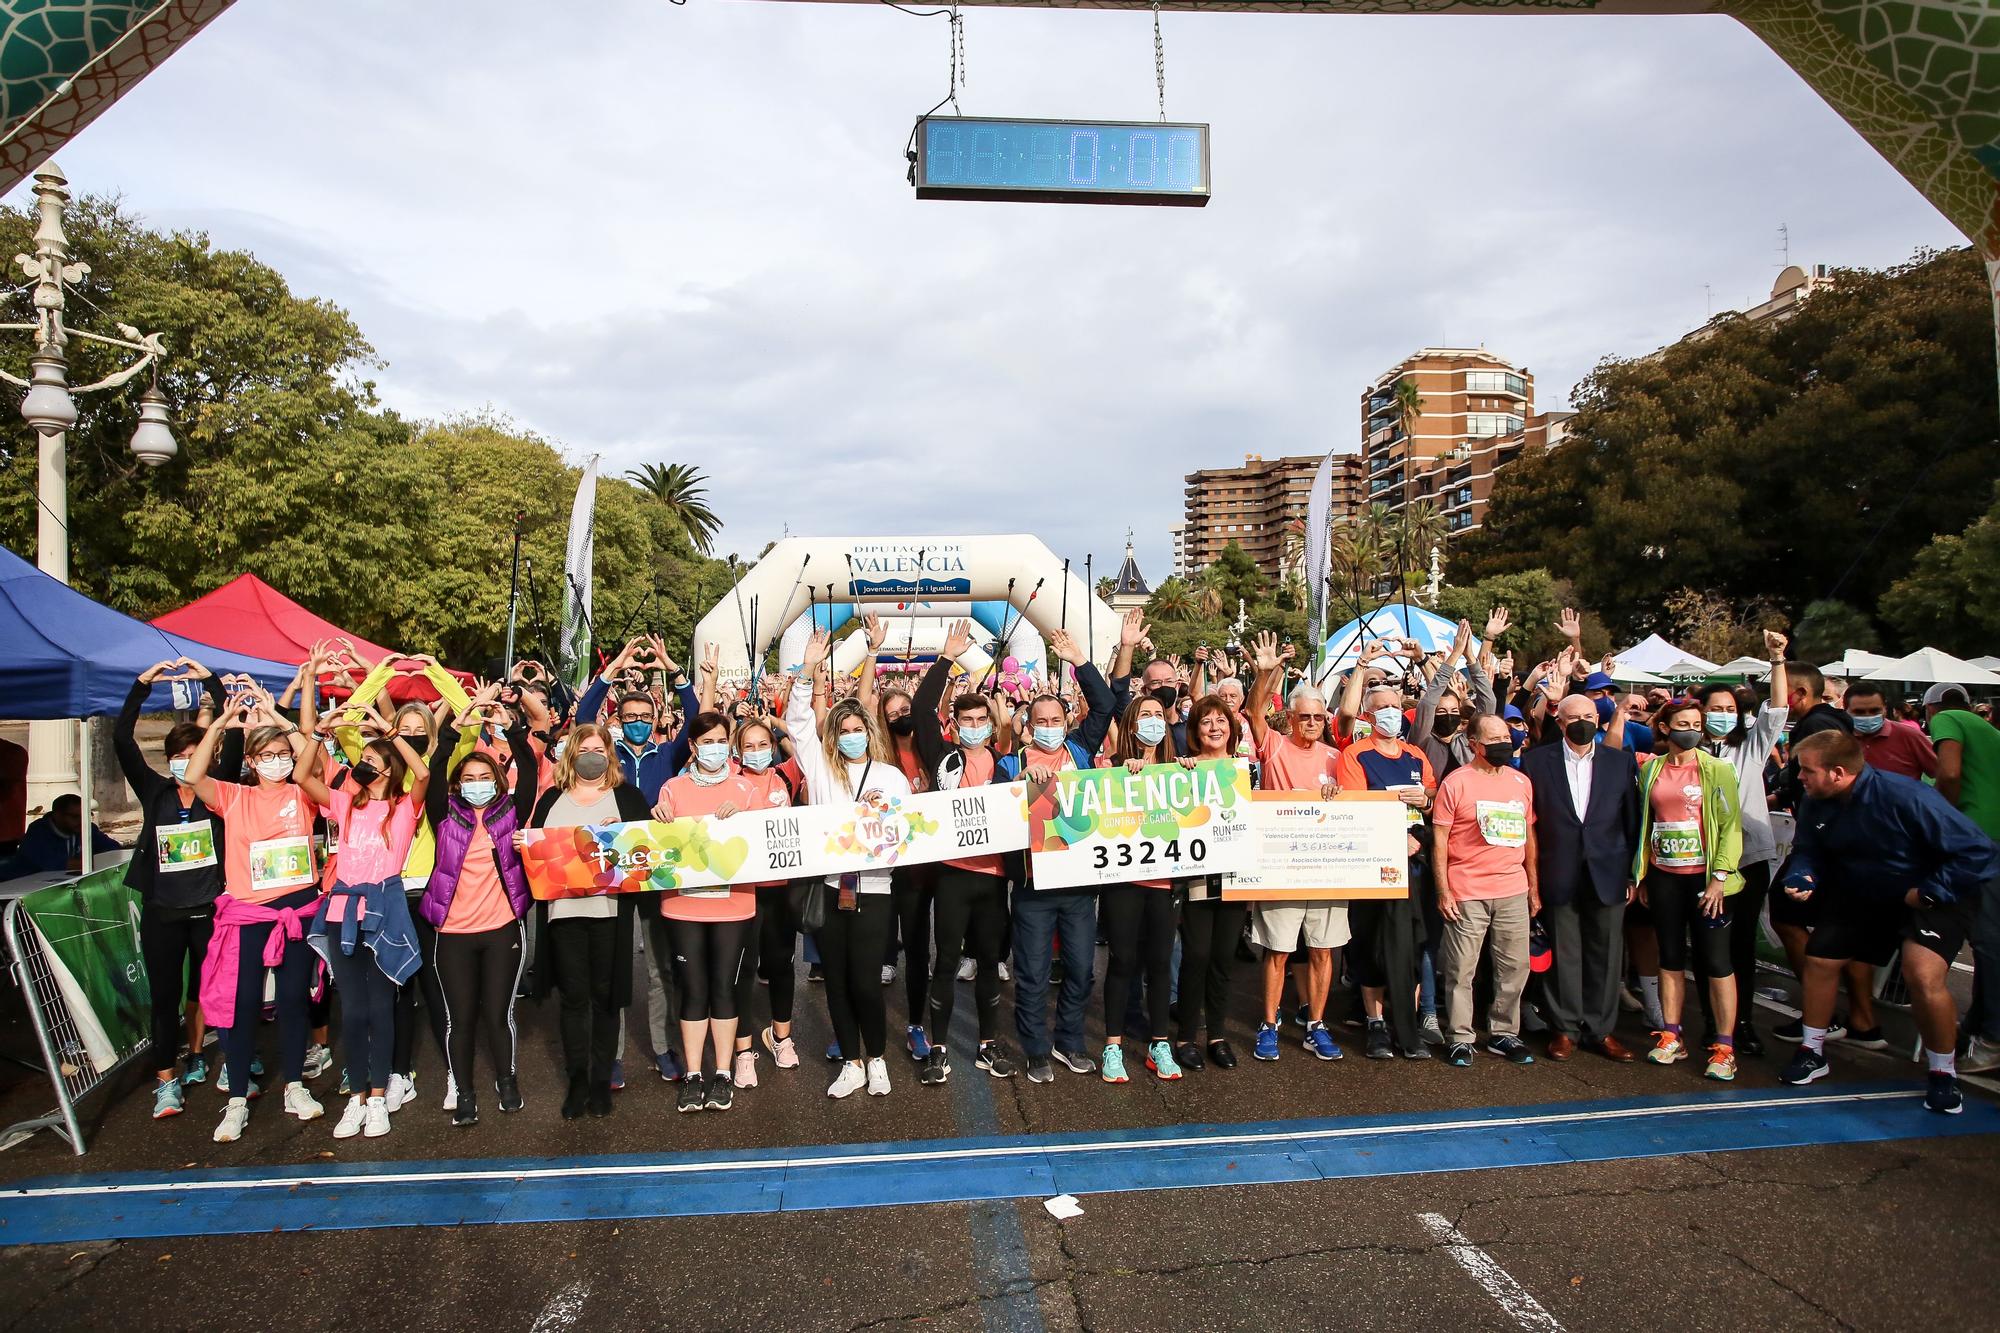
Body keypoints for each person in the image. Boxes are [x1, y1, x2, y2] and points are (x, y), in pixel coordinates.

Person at [1777, 730, 1997, 1114]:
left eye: (1807, 771)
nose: (1799, 777)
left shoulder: (1908, 797)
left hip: (1930, 894)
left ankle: (1944, 1073)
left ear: (1838, 772)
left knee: (1922, 974)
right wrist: (1804, 875)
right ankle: (1812, 1050)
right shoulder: (1815, 800)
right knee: (1821, 958)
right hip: (1866, 891)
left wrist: (1930, 891)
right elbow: (1808, 849)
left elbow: (1979, 852)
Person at [186, 682, 324, 1143]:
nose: (278, 760)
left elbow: (317, 760)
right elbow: (192, 774)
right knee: (241, 1005)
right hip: (248, 915)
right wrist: (222, 724)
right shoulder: (233, 797)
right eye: (267, 754)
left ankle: (295, 1086)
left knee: (292, 1002)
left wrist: (282, 720)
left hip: (298, 912)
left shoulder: (303, 793)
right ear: (252, 761)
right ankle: (237, 1098)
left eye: (283, 753)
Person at [296, 694, 428, 1140]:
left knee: (380, 1006)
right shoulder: (345, 804)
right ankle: (354, 1099)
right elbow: (301, 775)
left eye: (372, 759)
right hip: (341, 908)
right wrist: (316, 735)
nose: (364, 764)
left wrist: (392, 736)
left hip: (384, 908)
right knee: (351, 1009)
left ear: (388, 769)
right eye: (362, 759)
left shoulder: (405, 808)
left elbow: (424, 773)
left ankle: (377, 1098)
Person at [789, 627, 914, 1098]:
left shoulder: (891, 777)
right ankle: (851, 1060)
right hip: (828, 887)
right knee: (836, 981)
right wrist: (805, 671)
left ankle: (877, 1058)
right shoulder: (820, 769)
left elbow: (907, 831)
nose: (851, 737)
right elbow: (799, 723)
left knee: (866, 980)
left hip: (875, 889)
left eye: (858, 729)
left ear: (870, 732)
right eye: (843, 731)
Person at [119, 659, 237, 1119]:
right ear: (168, 760)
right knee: (165, 996)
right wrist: (141, 684)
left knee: (217, 990)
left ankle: (229, 1059)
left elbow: (235, 737)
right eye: (179, 756)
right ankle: (166, 1080)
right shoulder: (153, 790)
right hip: (163, 910)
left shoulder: (217, 788)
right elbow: (121, 741)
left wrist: (210, 680)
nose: (187, 763)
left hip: (211, 907)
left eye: (195, 755)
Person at [581, 634, 700, 1087]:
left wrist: (672, 667)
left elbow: (695, 718)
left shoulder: (668, 754)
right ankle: (611, 1054)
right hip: (610, 869)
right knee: (612, 966)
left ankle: (663, 1047)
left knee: (660, 967)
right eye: (628, 718)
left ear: (654, 720)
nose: (636, 723)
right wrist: (615, 667)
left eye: (643, 717)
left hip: (656, 870)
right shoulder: (603, 755)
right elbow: (582, 717)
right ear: (619, 720)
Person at [1001, 630, 1119, 1083]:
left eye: (1056, 718)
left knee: (1081, 969)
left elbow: (1107, 706)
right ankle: (1035, 1048)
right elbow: (998, 817)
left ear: (1065, 720)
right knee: (1030, 974)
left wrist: (1079, 661)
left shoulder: (1080, 751)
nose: (1049, 725)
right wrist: (1017, 788)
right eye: (1041, 720)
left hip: (1078, 886)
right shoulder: (1010, 764)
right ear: (1029, 725)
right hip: (1033, 888)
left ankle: (1068, 1042)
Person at [908, 620, 1022, 1086]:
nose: (974, 728)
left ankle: (988, 1045)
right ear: (955, 724)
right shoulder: (943, 757)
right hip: (952, 875)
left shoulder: (1008, 762)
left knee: (991, 963)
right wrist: (945, 658)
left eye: (981, 721)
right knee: (947, 960)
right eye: (966, 721)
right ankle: (938, 1047)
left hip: (994, 877)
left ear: (992, 725)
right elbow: (918, 711)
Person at [420, 683, 539, 1128]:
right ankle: (465, 1091)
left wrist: (512, 727)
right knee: (461, 1017)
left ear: (497, 780)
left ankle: (506, 1081)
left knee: (498, 1013)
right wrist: (459, 723)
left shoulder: (511, 811)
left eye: (483, 778)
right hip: (451, 932)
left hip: (502, 928)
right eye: (467, 779)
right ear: (456, 785)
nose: (476, 785)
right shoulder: (443, 813)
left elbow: (528, 767)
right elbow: (435, 765)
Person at [526, 722, 652, 1119]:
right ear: (571, 756)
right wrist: (523, 843)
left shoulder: (626, 798)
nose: (591, 757)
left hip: (609, 913)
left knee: (605, 997)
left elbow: (644, 852)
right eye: (583, 751)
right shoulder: (552, 800)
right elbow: (536, 847)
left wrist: (634, 836)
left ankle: (601, 1080)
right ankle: (577, 1078)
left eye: (598, 749)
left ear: (609, 754)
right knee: (573, 998)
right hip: (563, 914)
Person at [650, 710, 762, 1112]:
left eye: (720, 740)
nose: (713, 748)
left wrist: (747, 816)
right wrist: (656, 820)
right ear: (693, 747)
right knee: (693, 989)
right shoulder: (672, 789)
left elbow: (769, 838)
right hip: (683, 905)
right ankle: (694, 1074)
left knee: (723, 988)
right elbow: (658, 844)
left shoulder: (746, 789)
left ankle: (724, 1074)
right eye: (705, 741)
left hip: (734, 906)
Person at [1243, 631, 1346, 1063]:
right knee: (1279, 952)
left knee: (1323, 950)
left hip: (1325, 870)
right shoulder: (1275, 745)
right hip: (1281, 867)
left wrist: (1338, 795)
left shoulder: (1336, 757)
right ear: (1291, 719)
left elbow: (1352, 805)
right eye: (1305, 717)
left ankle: (1316, 1025)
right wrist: (1265, 674)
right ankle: (1269, 1025)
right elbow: (1252, 711)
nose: (1312, 724)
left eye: (1319, 718)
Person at [1520, 692, 1641, 1062]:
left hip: (1608, 870)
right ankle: (1565, 1028)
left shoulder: (1620, 763)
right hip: (1559, 870)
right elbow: (1531, 823)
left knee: (1606, 954)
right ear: (1560, 722)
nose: (1583, 723)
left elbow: (1631, 821)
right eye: (1574, 717)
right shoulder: (1536, 762)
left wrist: (1631, 873)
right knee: (1565, 953)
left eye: (1589, 715)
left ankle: (1600, 1030)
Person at [1686, 630, 1790, 1056]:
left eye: (1730, 709)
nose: (1723, 715)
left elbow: (1779, 709)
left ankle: (1741, 1022)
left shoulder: (1750, 747)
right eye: (1715, 709)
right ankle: (1713, 1022)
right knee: (1709, 947)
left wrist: (1778, 660)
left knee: (1741, 945)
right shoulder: (1687, 751)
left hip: (1748, 860)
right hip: (1701, 862)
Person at [1633, 701, 1745, 1081]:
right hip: (1665, 876)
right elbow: (1648, 823)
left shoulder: (1717, 770)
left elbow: (1731, 826)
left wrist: (1719, 876)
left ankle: (1725, 1045)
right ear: (1664, 727)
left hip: (1707, 880)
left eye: (1697, 724)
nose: (1692, 730)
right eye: (1683, 724)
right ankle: (1671, 1034)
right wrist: (1644, 874)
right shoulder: (1651, 769)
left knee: (1716, 961)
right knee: (1670, 956)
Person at [1336, 663, 1438, 1059]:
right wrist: (1396, 838)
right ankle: (1375, 1022)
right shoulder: (1355, 755)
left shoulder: (1414, 754)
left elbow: (1431, 795)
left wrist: (1425, 800)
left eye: (1396, 706)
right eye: (1383, 708)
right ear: (1368, 715)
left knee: (1412, 946)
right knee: (1371, 946)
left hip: (1415, 865)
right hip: (1374, 865)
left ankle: (1406, 1024)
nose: (1392, 713)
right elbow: (1355, 807)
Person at [1432, 714, 1539, 1067]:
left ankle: (1504, 1032)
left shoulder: (1521, 782)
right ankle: (1460, 1036)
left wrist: (1533, 887)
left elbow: (1529, 836)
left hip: (1512, 888)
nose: (1503, 745)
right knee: (1461, 968)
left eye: (1506, 738)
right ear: (1475, 744)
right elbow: (1441, 840)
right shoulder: (1456, 783)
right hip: (1467, 889)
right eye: (1494, 740)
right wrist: (1444, 890)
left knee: (1514, 966)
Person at [1095, 693, 1184, 1083]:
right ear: (1131, 725)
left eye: (1157, 715)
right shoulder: (1112, 766)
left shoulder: (1179, 768)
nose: (1152, 721)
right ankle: (1112, 1046)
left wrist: (1190, 772)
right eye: (1144, 715)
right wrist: (1119, 772)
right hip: (1124, 883)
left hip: (1165, 884)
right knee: (1123, 961)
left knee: (1161, 963)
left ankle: (1159, 1044)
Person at [1167, 694, 1249, 1073]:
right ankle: (1184, 1036)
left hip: (1236, 878)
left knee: (1222, 959)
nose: (1215, 728)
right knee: (1196, 956)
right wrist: (1179, 774)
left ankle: (1216, 1035)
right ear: (1195, 731)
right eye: (1206, 722)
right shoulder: (1184, 769)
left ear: (1231, 728)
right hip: (1197, 880)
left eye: (1221, 721)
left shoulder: (1246, 769)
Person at [1922, 684, 2000, 1074]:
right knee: (1986, 939)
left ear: (1932, 709)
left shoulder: (1949, 719)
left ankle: (1993, 1039)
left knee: (1988, 941)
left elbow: (1949, 772)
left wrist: (1940, 816)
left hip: (1979, 841)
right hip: (1988, 838)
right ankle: (1978, 1026)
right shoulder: (1989, 732)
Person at [725, 715, 804, 1086]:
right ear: (737, 752)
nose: (756, 752)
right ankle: (742, 1051)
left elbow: (807, 738)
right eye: (748, 746)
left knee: (781, 965)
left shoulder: (787, 775)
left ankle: (781, 1037)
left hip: (781, 889)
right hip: (743, 891)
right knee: (742, 971)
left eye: (762, 744)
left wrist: (777, 720)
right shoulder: (729, 782)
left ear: (773, 748)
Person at [0, 793, 120, 877]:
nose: (81, 821)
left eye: (85, 815)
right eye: (75, 817)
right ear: (57, 815)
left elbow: (115, 851)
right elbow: (52, 864)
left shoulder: (86, 828)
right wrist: (94, 861)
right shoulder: (39, 831)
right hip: (20, 886)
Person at [1846, 681, 1937, 780]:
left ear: (1885, 708)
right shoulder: (1839, 737)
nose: (1868, 716)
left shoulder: (1909, 736)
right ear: (1845, 709)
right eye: (1859, 712)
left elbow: (1942, 772)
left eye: (1875, 711)